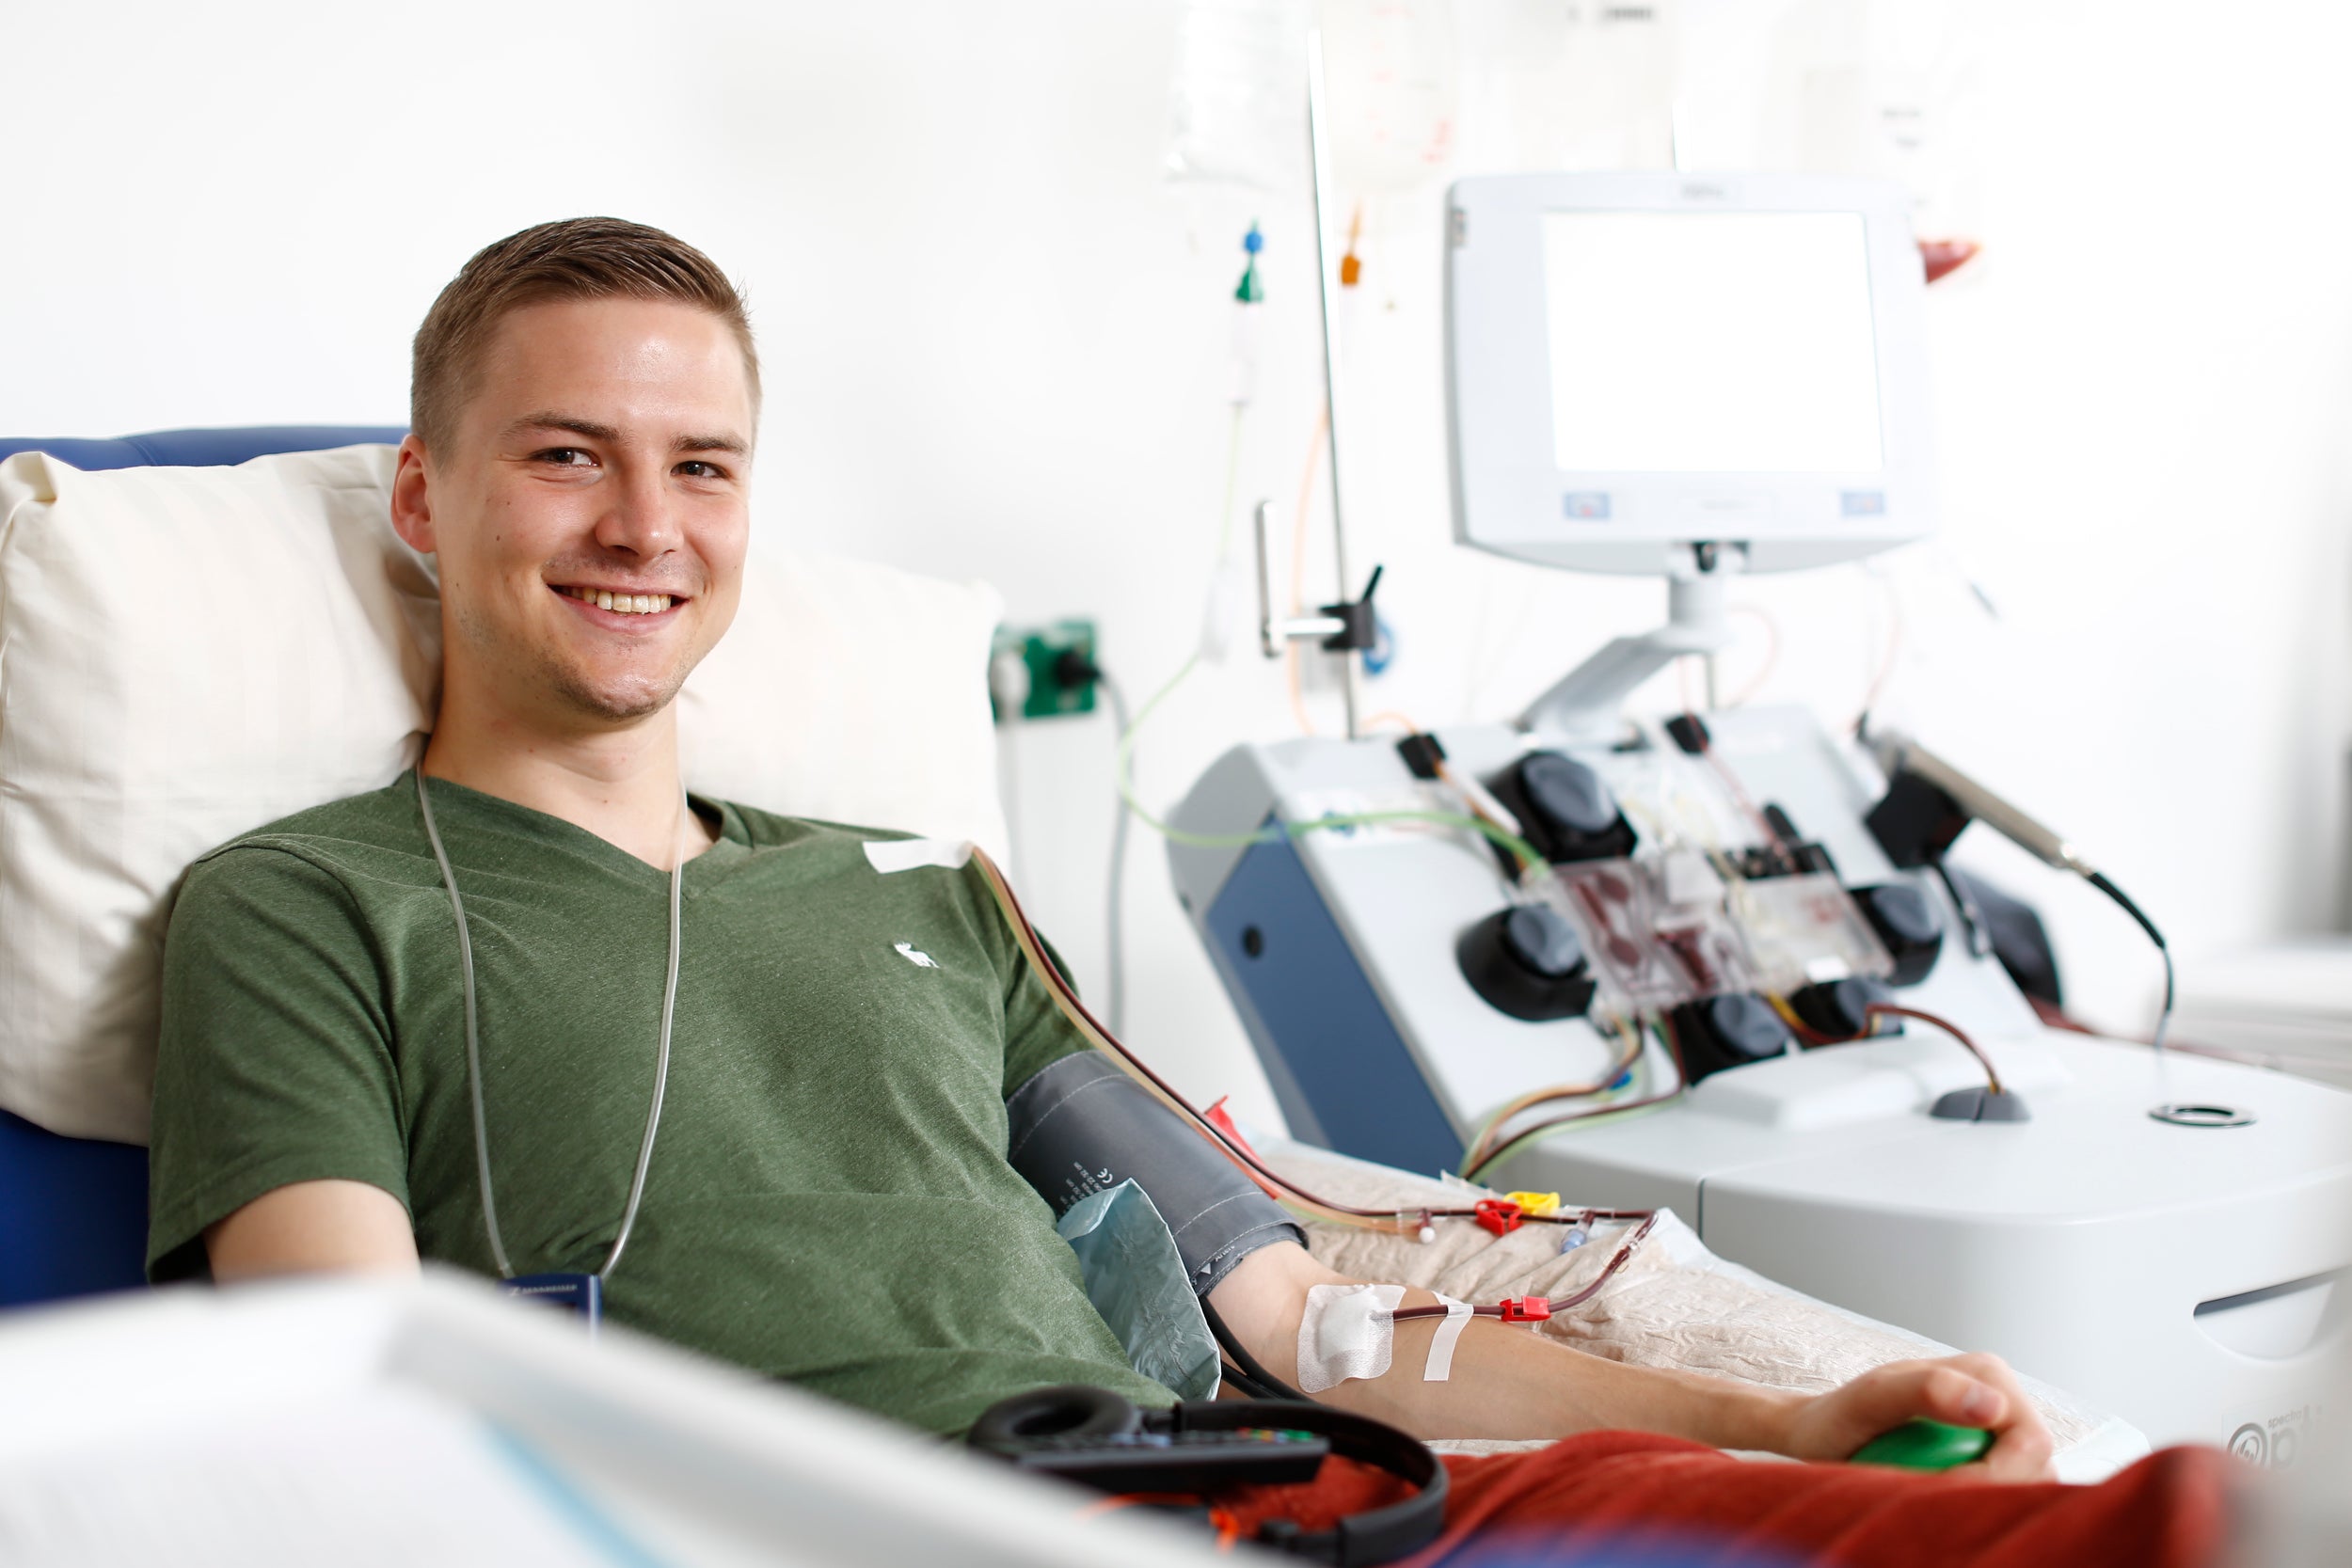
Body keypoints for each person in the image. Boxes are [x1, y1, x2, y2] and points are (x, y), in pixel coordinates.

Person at [145, 218, 2230, 1565]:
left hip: (1274, 1500)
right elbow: (353, 1387)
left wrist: (1775, 1418)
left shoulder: (927, 891)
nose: (644, 527)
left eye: (701, 467)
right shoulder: (303, 909)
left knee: (2117, 1521)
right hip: (856, 1534)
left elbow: (1292, 1314)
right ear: (422, 498)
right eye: (564, 455)